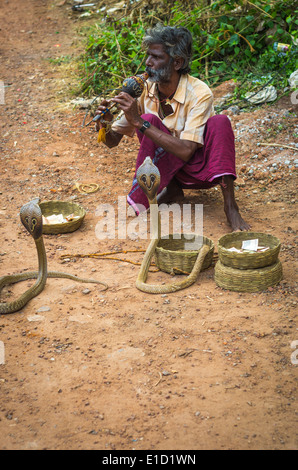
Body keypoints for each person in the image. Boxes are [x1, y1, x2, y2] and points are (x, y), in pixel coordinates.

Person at [95, 24, 250, 231]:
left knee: (220, 122)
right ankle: (173, 190)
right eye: (148, 56)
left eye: (156, 57)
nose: (148, 63)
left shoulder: (200, 92)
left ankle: (231, 207)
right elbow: (112, 142)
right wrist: (104, 123)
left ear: (177, 62)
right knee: (150, 118)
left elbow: (186, 151)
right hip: (172, 170)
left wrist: (139, 122)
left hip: (202, 169)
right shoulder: (144, 90)